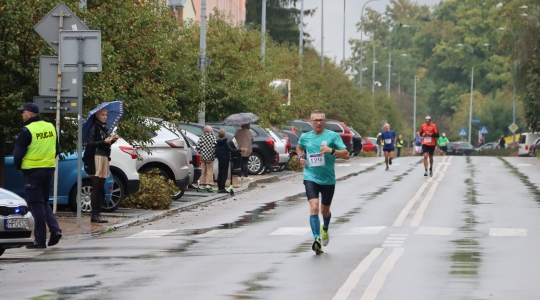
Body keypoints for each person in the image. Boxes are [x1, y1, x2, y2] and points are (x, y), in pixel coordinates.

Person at [297, 110, 349, 254]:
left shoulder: (332, 136)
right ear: (311, 121)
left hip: (328, 179)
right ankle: (316, 239)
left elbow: (346, 155)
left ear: (324, 122)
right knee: (314, 207)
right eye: (316, 120)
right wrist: (300, 156)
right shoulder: (305, 137)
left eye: (321, 120)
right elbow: (299, 147)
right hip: (310, 176)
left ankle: (325, 228)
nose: (318, 122)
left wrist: (331, 150)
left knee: (324, 211)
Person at [13, 103, 62, 248]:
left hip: (32, 171)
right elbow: (56, 149)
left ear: (29, 114)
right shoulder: (50, 127)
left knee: (35, 204)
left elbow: (18, 153)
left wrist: (18, 167)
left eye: (23, 112)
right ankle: (55, 230)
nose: (22, 114)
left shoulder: (27, 130)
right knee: (44, 202)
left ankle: (40, 240)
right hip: (48, 169)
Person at [84, 108, 118, 223]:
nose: (105, 117)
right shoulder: (94, 126)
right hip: (96, 157)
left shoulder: (104, 128)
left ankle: (97, 213)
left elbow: (104, 142)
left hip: (104, 156)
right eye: (103, 115)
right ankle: (94, 215)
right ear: (97, 116)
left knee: (100, 186)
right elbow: (91, 143)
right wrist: (104, 142)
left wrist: (112, 140)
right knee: (97, 186)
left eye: (106, 115)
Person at [196, 125, 217, 190]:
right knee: (209, 171)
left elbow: (198, 147)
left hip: (203, 157)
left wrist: (200, 153)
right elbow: (215, 147)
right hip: (210, 157)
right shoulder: (213, 138)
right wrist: (214, 154)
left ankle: (202, 184)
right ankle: (208, 183)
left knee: (202, 170)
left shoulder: (202, 137)